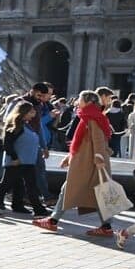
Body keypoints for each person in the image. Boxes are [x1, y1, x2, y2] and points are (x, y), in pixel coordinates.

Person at [34, 90, 115, 236]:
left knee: (72, 189)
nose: (77, 101)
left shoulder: (92, 117)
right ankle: (106, 226)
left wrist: (98, 157)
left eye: (80, 99)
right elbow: (81, 142)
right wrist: (69, 157)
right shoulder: (90, 115)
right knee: (96, 194)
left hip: (89, 164)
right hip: (87, 163)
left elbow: (98, 139)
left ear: (89, 102)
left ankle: (53, 221)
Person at [0, 102, 48, 217]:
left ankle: (37, 209)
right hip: (17, 162)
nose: (33, 114)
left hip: (28, 161)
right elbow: (7, 144)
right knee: (5, 184)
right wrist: (14, 157)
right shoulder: (15, 126)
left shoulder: (26, 124)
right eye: (31, 112)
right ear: (23, 112)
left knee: (30, 185)